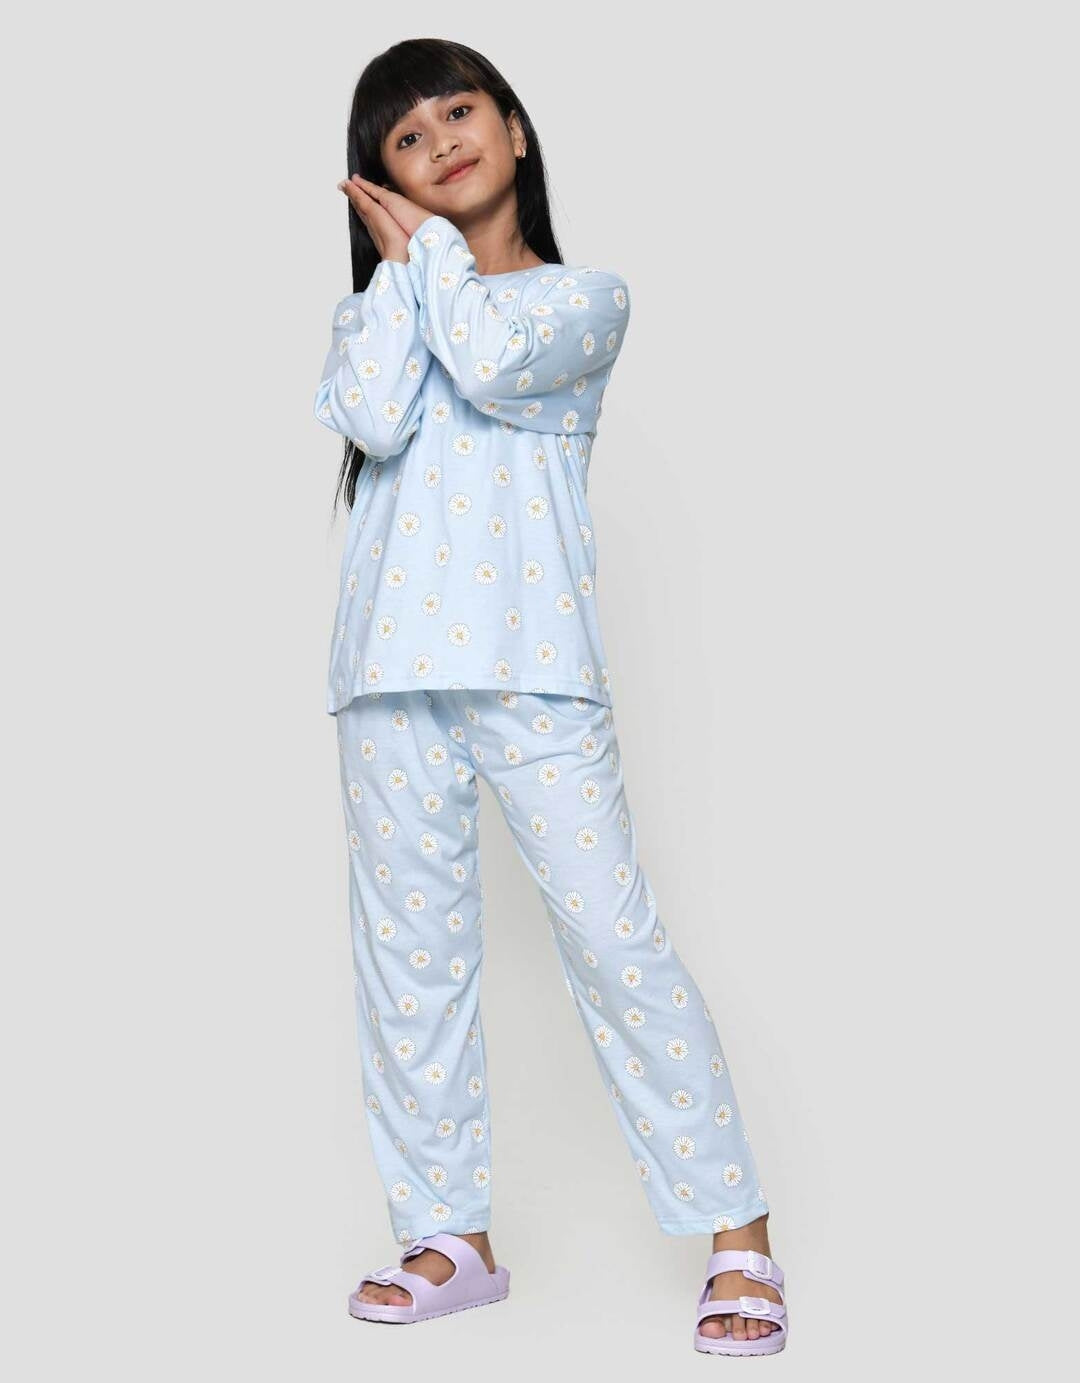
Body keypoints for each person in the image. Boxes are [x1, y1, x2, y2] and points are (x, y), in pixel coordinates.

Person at [313, 38, 789, 1356]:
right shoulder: (388, 306)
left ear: (516, 130)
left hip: (532, 665)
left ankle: (737, 1231)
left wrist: (426, 255)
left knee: (614, 943)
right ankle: (446, 1236)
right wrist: (400, 276)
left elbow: (483, 358)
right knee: (408, 966)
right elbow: (372, 415)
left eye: (459, 112)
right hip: (386, 672)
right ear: (378, 180)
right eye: (406, 139)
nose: (441, 144)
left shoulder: (580, 301)